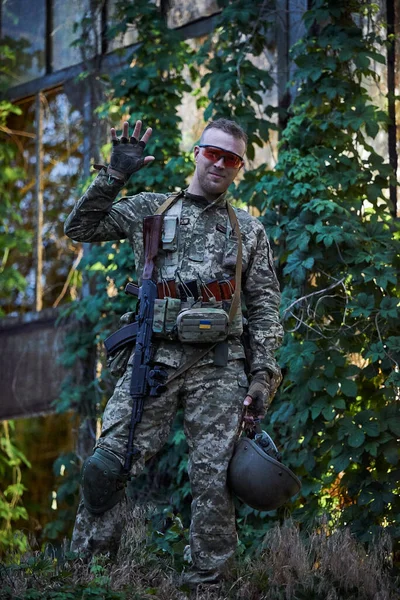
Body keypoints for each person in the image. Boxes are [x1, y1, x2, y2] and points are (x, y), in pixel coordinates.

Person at [64, 118, 283, 586]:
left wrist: (264, 375)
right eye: (213, 153)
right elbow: (79, 227)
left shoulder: (248, 230)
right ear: (197, 153)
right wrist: (114, 175)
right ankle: (85, 577)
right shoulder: (151, 208)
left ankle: (209, 584)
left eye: (232, 159)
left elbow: (265, 308)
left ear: (239, 167)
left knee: (217, 484)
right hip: (155, 359)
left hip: (221, 368)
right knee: (106, 467)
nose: (220, 164)